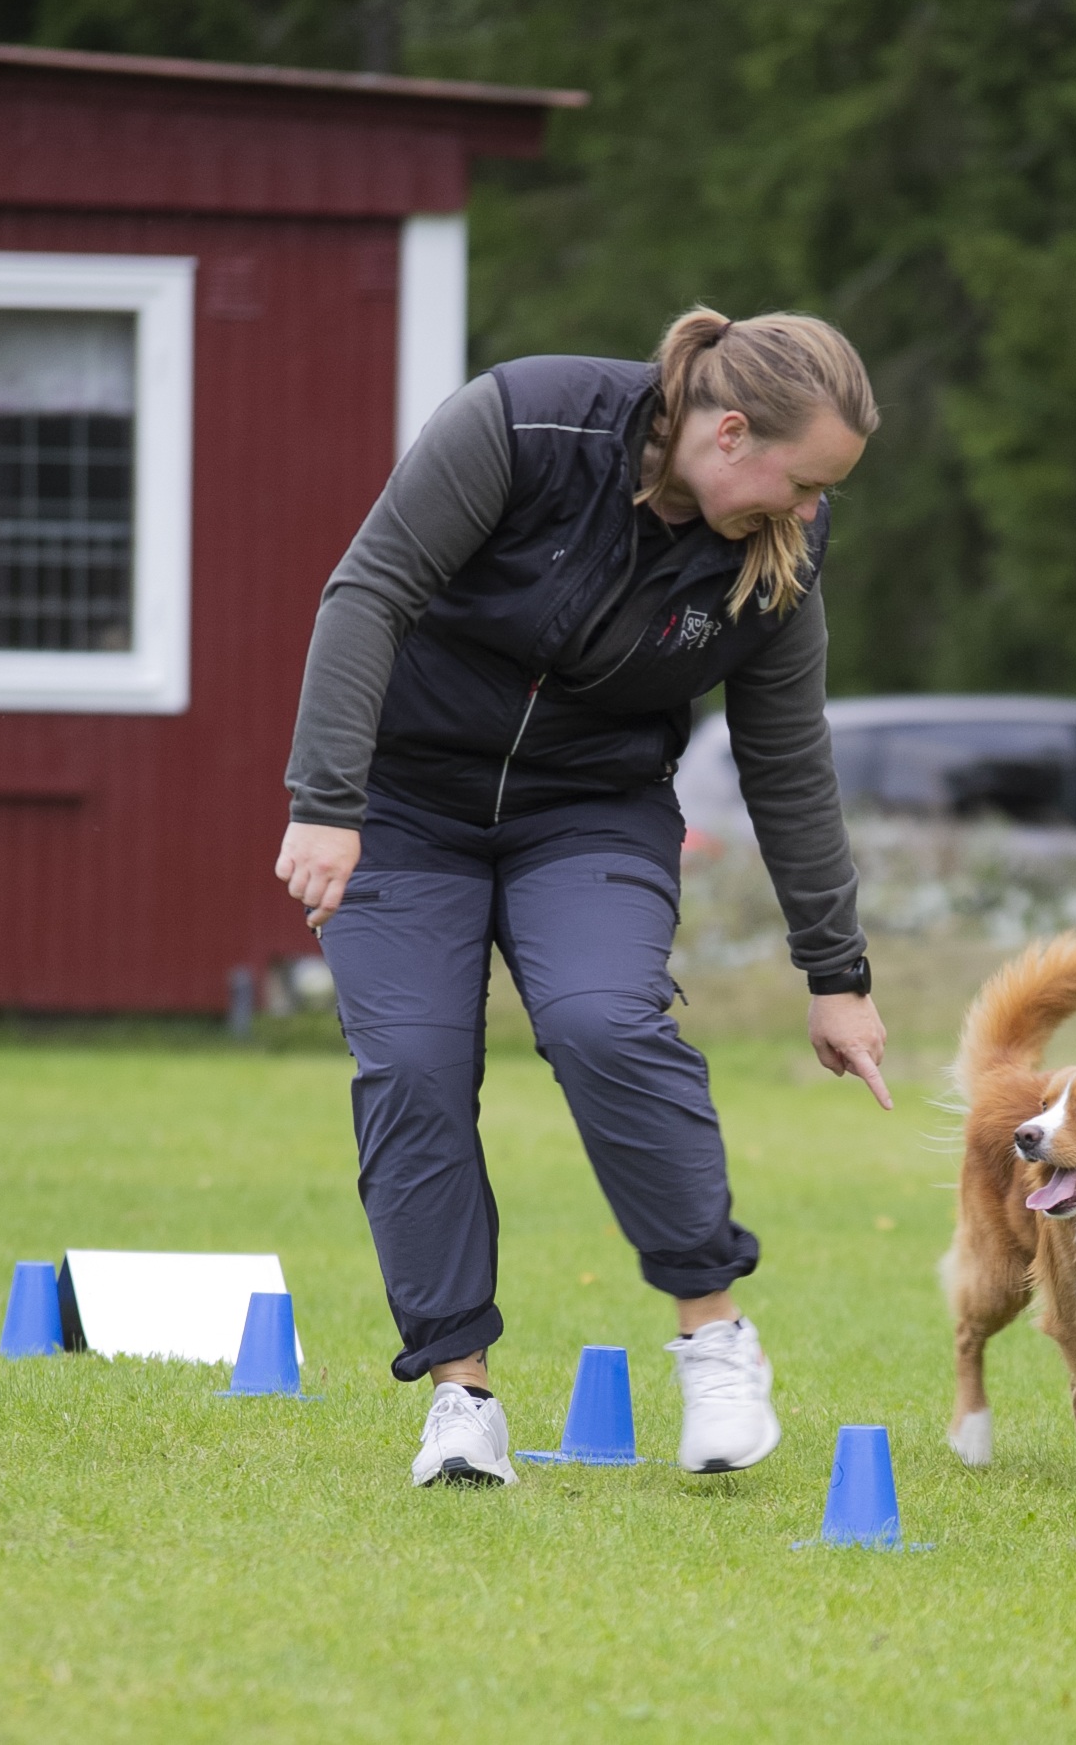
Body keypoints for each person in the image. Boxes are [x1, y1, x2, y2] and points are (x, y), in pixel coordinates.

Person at [276, 307, 890, 1487]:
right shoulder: (522, 421)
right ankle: (461, 1399)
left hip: (589, 811)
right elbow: (370, 592)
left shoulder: (774, 560)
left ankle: (712, 1337)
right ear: (726, 433)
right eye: (804, 482)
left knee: (603, 1021)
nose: (810, 514)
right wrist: (325, 802)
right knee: (409, 1065)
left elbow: (787, 763)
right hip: (405, 806)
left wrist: (837, 975)